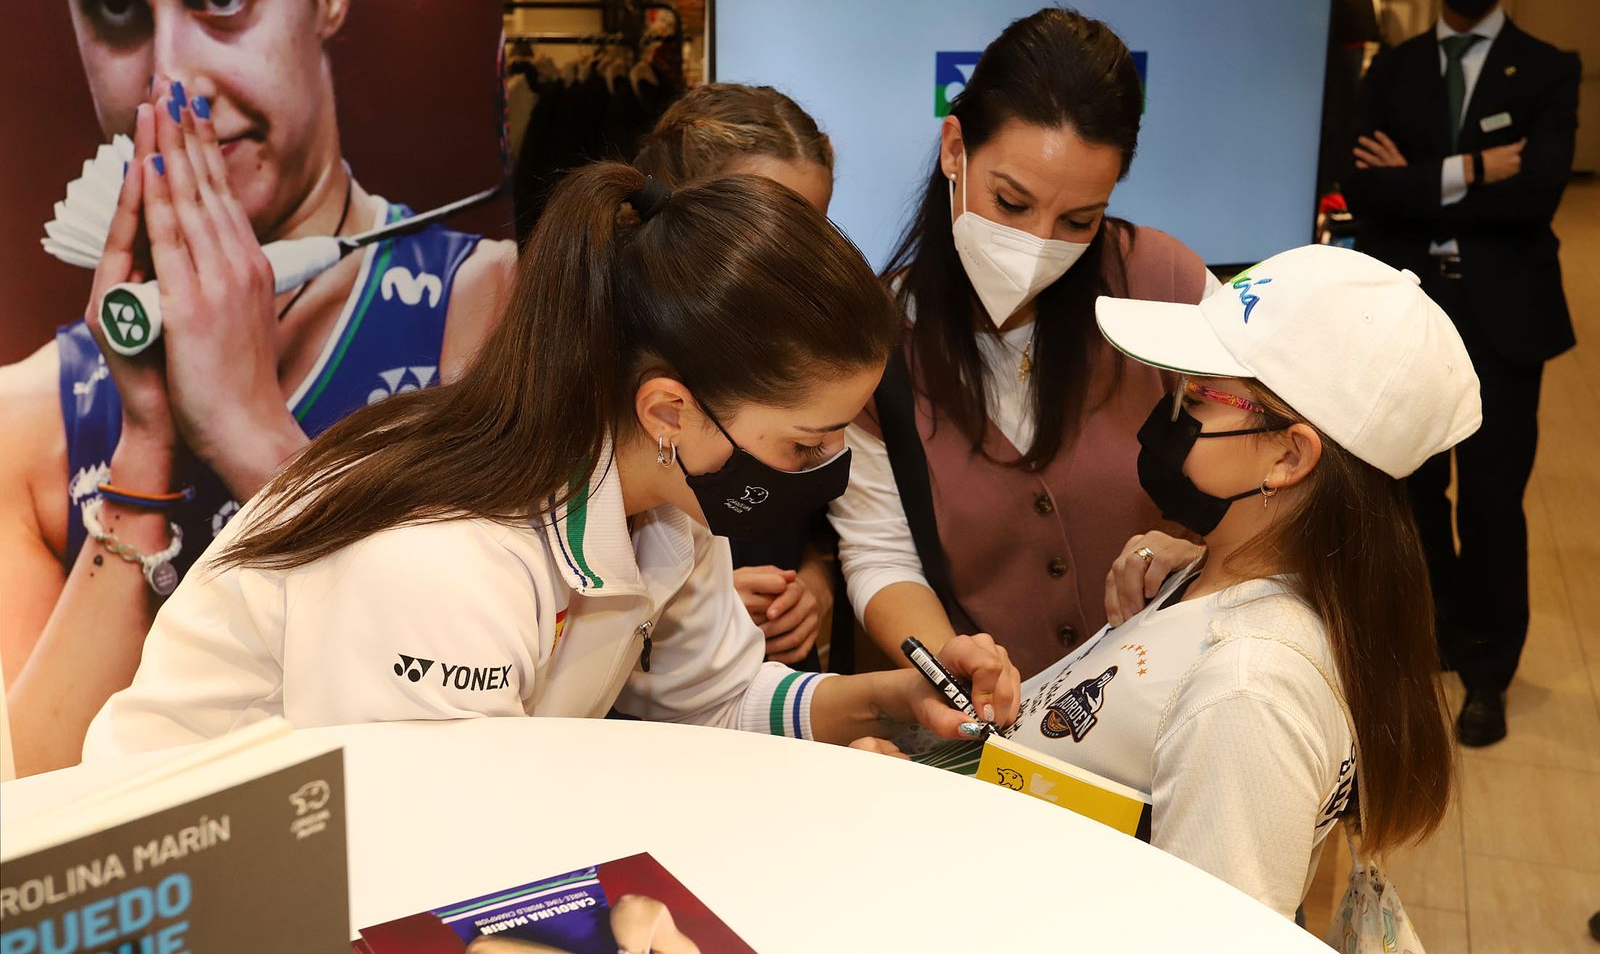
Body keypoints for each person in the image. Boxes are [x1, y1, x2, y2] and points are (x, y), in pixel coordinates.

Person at [82, 164, 1021, 759]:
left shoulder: (670, 506)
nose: (827, 474)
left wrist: (894, 699)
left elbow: (725, 700)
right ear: (670, 409)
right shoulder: (445, 557)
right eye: (806, 446)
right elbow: (424, 847)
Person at [0, 0, 517, 775]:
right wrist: (146, 453)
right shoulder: (29, 413)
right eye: (113, 7)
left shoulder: (489, 311)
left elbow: (485, 700)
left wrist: (250, 434)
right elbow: (38, 799)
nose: (172, 84)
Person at [857, 245, 1475, 919]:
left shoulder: (1249, 694)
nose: (1168, 409)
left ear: (1290, 454)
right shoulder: (1210, 571)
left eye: (1199, 395)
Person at [828, 7, 1212, 681]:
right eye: (1011, 203)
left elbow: (1269, 462)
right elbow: (881, 554)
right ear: (955, 150)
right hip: (1002, 727)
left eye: (1078, 219)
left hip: (1170, 693)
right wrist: (952, 663)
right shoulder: (875, 342)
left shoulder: (1164, 285)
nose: (1037, 242)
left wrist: (1196, 545)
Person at [1344, 0, 1581, 746]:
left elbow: (1537, 196)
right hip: (1407, 312)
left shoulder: (1550, 68)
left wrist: (1423, 182)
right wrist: (1476, 167)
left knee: (1490, 500)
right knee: (1409, 489)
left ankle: (1488, 672)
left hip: (1504, 319)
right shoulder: (1393, 70)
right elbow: (1365, 187)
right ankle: (1437, 629)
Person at [633, 83, 838, 669]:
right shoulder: (632, 379)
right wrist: (700, 607)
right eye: (768, 230)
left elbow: (831, 527)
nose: (794, 263)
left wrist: (815, 590)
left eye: (812, 233)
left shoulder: (820, 361)